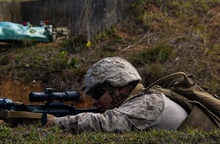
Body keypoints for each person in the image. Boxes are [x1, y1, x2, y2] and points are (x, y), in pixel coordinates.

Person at [44, 57, 188, 133]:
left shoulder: (149, 102)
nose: (94, 101)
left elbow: (107, 123)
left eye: (97, 93)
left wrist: (53, 123)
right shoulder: (145, 99)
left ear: (120, 87)